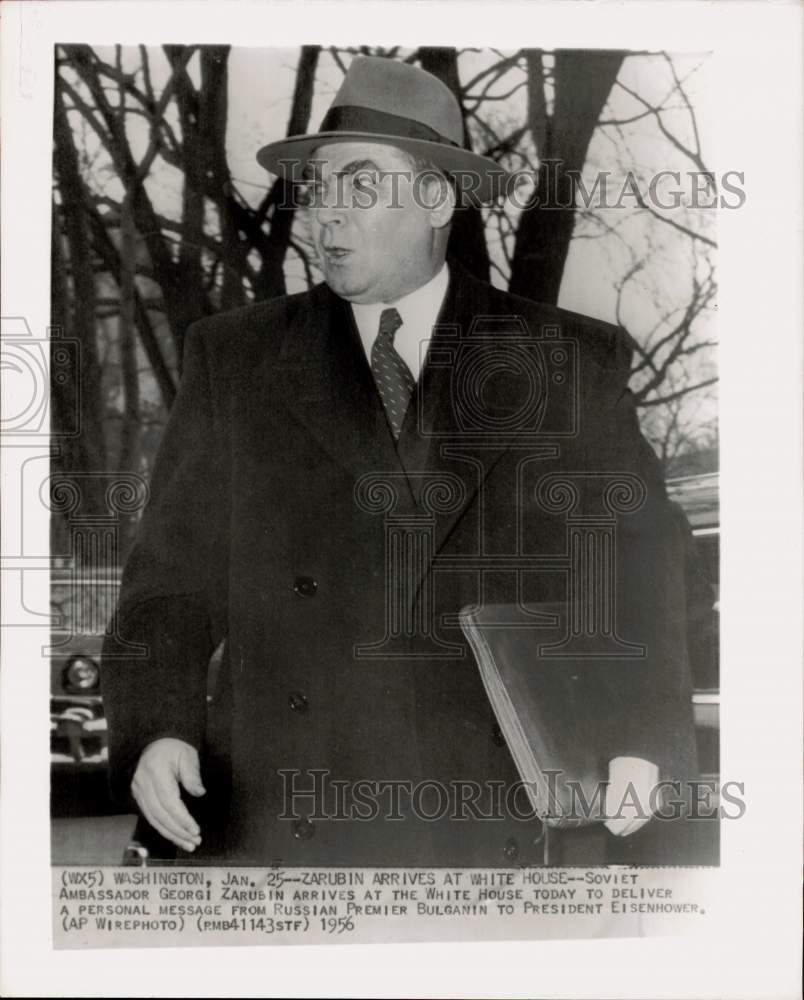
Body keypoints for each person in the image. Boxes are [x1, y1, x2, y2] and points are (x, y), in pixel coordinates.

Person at [102, 56, 698, 867]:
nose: (322, 217)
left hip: (496, 814)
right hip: (289, 813)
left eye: (357, 185)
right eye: (315, 189)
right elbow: (168, 583)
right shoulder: (236, 359)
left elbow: (641, 563)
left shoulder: (566, 361)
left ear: (437, 199)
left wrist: (639, 734)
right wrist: (159, 728)